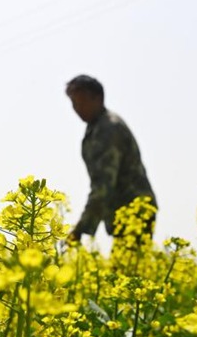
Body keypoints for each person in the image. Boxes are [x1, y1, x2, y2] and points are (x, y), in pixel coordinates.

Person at [66, 75, 156, 242]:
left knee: (128, 266)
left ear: (98, 98)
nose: (77, 108)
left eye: (81, 101)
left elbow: (103, 185)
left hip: (136, 211)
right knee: (124, 267)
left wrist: (81, 229)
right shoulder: (96, 128)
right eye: (73, 103)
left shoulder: (108, 129)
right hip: (122, 212)